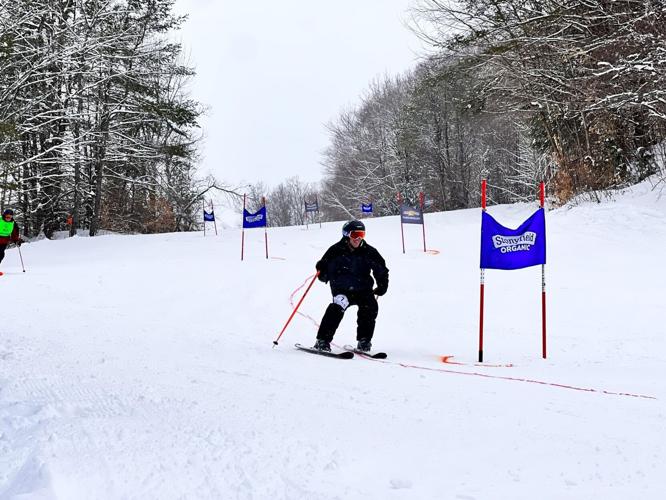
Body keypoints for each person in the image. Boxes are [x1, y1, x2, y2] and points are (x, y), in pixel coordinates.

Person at [313, 220, 389, 352]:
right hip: (342, 289)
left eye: (361, 234)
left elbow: (381, 269)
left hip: (363, 289)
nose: (358, 238)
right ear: (346, 234)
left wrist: (382, 285)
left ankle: (364, 340)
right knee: (337, 306)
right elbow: (324, 273)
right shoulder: (335, 251)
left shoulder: (369, 251)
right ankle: (322, 340)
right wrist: (322, 271)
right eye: (355, 234)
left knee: (370, 307)